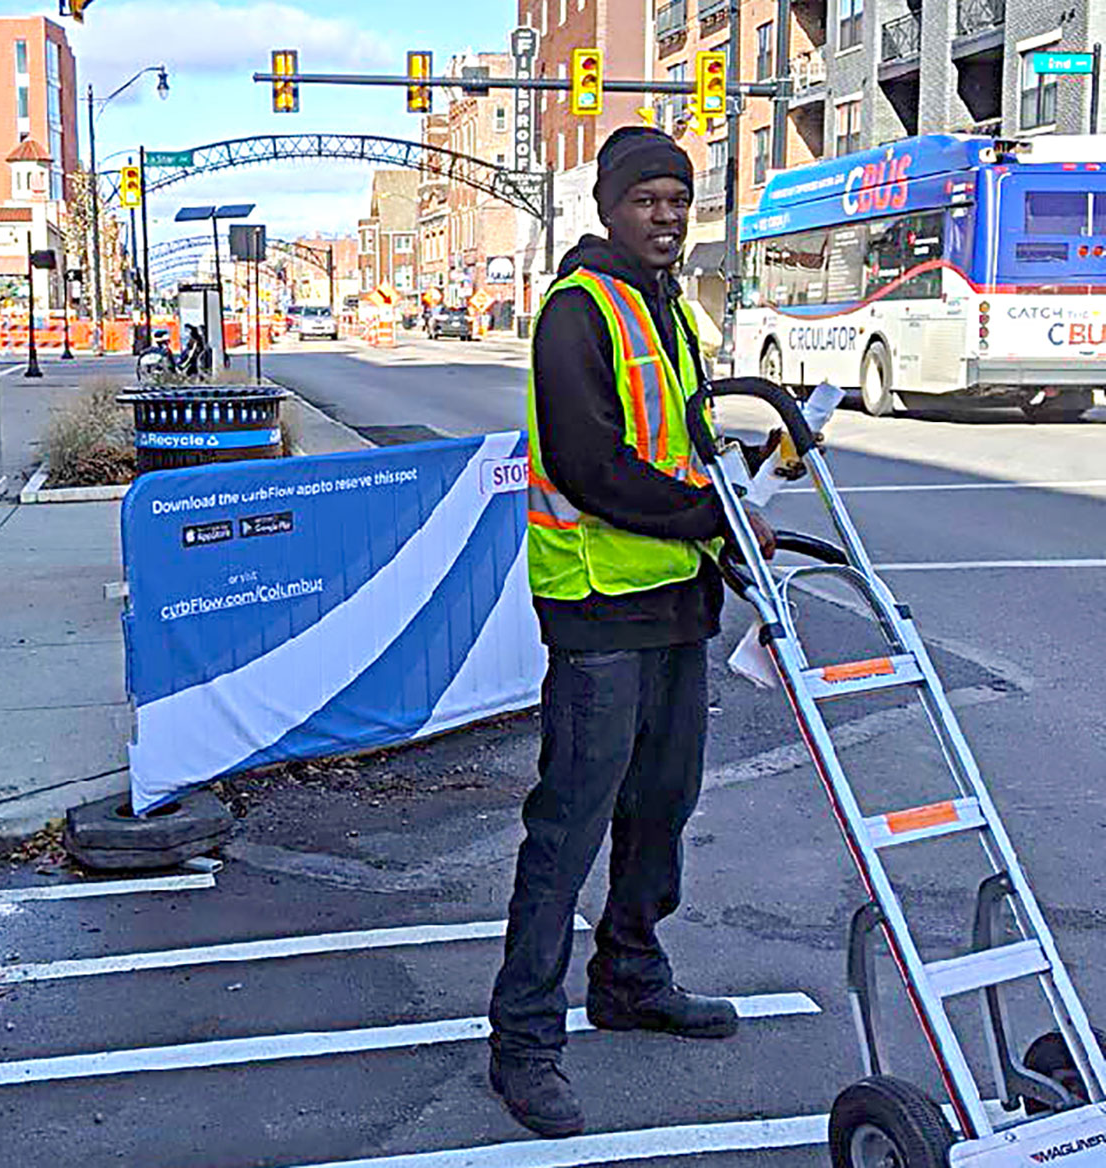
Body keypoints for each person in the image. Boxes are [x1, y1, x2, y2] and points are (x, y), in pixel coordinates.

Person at [487, 126, 777, 1139]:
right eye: (647, 199)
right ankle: (524, 1040)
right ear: (608, 207)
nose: (665, 215)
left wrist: (742, 477)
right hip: (598, 610)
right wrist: (711, 515)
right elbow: (588, 464)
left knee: (661, 807)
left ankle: (631, 975)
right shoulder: (578, 309)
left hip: (675, 605)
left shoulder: (671, 309)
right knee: (569, 824)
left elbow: (677, 443)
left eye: (677, 199)